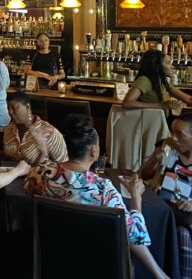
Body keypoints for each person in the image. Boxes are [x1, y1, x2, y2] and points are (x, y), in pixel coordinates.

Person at [25, 114, 170, 279]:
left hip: (52, 256)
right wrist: (136, 197)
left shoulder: (41, 172)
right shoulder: (102, 190)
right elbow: (136, 234)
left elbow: (28, 187)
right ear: (94, 151)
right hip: (96, 262)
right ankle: (159, 274)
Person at [139, 113, 192, 279]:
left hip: (190, 214)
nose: (173, 138)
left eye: (180, 134)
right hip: (162, 209)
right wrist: (155, 160)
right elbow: (143, 175)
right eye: (172, 132)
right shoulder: (166, 146)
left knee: (183, 234)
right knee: (188, 219)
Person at [122, 50, 192, 113]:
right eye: (168, 63)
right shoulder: (145, 80)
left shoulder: (162, 82)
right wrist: (161, 106)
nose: (172, 66)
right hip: (147, 127)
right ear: (157, 65)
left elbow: (190, 99)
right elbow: (127, 103)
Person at [0, 92, 67, 165]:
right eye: (8, 108)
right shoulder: (9, 129)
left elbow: (63, 165)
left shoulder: (50, 132)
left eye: (14, 108)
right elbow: (7, 159)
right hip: (13, 174)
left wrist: (43, 154)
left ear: (27, 107)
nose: (10, 112)